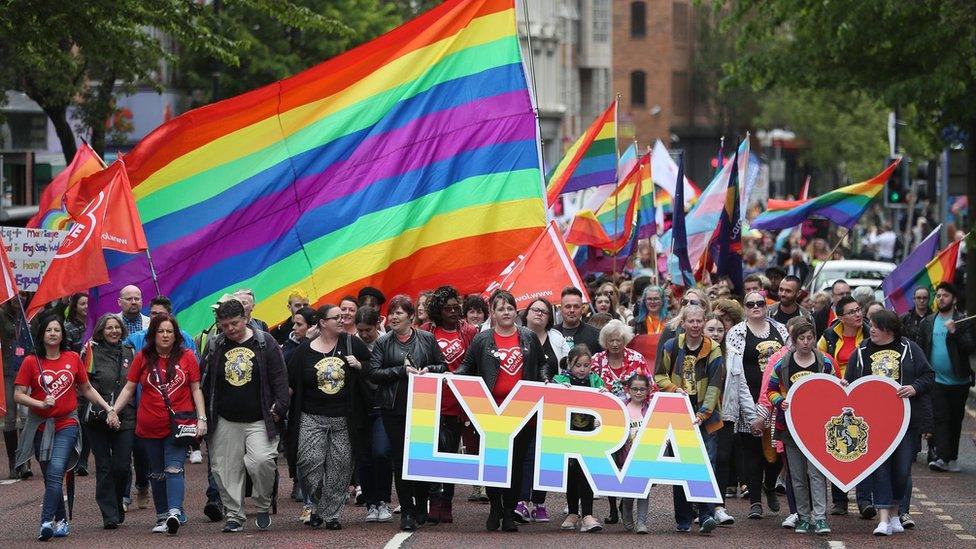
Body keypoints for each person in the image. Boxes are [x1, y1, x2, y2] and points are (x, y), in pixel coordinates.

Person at [13, 314, 118, 541]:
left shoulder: (72, 358)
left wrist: (107, 407)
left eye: (57, 330)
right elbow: (18, 394)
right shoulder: (32, 362)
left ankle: (45, 521)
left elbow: (87, 388)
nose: (53, 334)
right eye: (49, 330)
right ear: (42, 335)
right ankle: (61, 521)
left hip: (67, 423)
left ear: (62, 335)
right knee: (50, 474)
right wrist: (39, 403)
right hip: (40, 426)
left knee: (57, 470)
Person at [455, 289, 549, 533]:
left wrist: (547, 380)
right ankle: (494, 507)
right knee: (494, 462)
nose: (506, 312)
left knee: (516, 463)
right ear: (493, 313)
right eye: (500, 308)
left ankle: (509, 511)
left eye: (510, 308)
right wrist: (450, 377)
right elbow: (467, 366)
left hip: (522, 413)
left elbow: (542, 365)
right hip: (489, 413)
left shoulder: (528, 336)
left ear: (515, 311)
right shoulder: (481, 339)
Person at [112, 314, 206, 535]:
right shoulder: (142, 357)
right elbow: (128, 387)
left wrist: (201, 418)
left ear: (176, 335)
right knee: (157, 473)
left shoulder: (187, 356)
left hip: (179, 424)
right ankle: (162, 515)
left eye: (169, 332)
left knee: (174, 467)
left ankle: (174, 512)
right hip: (149, 424)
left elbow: (196, 388)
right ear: (152, 335)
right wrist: (113, 411)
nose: (165, 336)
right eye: (160, 332)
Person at [201, 299, 289, 533]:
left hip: (260, 418)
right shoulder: (215, 345)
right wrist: (204, 415)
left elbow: (280, 377)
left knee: (261, 461)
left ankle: (261, 504)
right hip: (224, 419)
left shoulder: (264, 342)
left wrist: (280, 407)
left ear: (246, 319)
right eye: (225, 325)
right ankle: (234, 515)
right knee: (225, 469)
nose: (230, 329)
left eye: (234, 323)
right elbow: (204, 380)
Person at [846, 310, 934, 536]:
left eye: (876, 326)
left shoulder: (911, 350)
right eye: (871, 325)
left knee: (902, 470)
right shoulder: (861, 351)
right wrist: (846, 385)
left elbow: (928, 376)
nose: (871, 330)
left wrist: (915, 388)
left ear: (890, 329)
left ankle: (895, 513)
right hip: (873, 422)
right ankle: (884, 518)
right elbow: (851, 383)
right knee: (881, 468)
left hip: (905, 422)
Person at [287, 303, 371, 530]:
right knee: (308, 461)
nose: (342, 320)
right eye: (336, 318)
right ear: (323, 322)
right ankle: (320, 500)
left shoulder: (352, 344)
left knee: (341, 466)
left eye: (343, 317)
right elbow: (290, 382)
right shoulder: (304, 350)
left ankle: (330, 514)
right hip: (311, 416)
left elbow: (373, 367)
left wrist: (360, 365)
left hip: (344, 417)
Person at [366, 295, 447, 531]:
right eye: (391, 313)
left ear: (411, 317)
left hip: (422, 405)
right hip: (394, 408)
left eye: (399, 313)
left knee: (419, 457)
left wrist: (427, 369)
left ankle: (422, 503)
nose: (393, 317)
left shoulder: (427, 338)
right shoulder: (384, 342)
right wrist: (402, 371)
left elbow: (442, 366)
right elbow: (374, 372)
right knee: (400, 459)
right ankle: (407, 511)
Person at [654, 304, 725, 534]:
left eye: (699, 321)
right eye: (691, 321)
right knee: (681, 465)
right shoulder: (671, 345)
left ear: (704, 322)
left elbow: (715, 385)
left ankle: (706, 515)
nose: (695, 326)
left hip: (706, 415)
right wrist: (674, 389)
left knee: (706, 464)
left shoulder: (713, 349)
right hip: (678, 412)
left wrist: (703, 414)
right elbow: (659, 375)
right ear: (683, 323)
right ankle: (683, 518)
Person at [767, 319, 837, 535]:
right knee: (796, 475)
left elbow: (834, 387)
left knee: (816, 474)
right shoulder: (783, 364)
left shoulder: (824, 363)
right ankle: (804, 517)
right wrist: (780, 401)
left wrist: (839, 386)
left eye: (810, 338)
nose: (806, 342)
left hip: (817, 427)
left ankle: (820, 517)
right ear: (794, 340)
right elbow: (770, 390)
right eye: (802, 338)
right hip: (790, 427)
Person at [724, 290, 788, 519]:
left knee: (774, 453)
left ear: (766, 306)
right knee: (751, 451)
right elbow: (735, 370)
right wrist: (748, 406)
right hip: (747, 398)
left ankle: (770, 486)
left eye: (760, 303)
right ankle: (754, 502)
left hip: (776, 400)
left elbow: (788, 361)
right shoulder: (736, 333)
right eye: (750, 304)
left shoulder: (781, 330)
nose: (755, 307)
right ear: (744, 307)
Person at [417, 286, 478, 524]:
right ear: (437, 310)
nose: (453, 312)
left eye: (456, 307)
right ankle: (434, 498)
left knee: (451, 452)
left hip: (458, 403)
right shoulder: (426, 331)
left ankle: (448, 502)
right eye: (447, 308)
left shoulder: (469, 332)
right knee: (432, 451)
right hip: (430, 401)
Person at [817, 295, 872, 517]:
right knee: (839, 444)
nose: (858, 314)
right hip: (837, 396)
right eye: (852, 312)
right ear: (841, 318)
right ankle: (839, 500)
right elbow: (819, 361)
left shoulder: (870, 333)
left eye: (859, 310)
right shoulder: (828, 336)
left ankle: (865, 501)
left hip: (864, 395)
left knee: (864, 446)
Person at [81, 314, 136, 530]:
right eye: (108, 328)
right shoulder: (91, 351)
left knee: (122, 466)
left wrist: (117, 410)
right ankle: (109, 513)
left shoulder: (130, 352)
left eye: (117, 327)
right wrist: (106, 409)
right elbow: (84, 384)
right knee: (104, 466)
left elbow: (133, 384)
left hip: (126, 416)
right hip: (97, 417)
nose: (113, 331)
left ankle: (118, 500)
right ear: (101, 331)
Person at [514, 298, 567, 523]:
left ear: (550, 317)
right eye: (535, 309)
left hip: (551, 405)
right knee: (525, 453)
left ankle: (540, 502)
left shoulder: (557, 339)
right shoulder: (516, 335)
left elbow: (566, 366)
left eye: (544, 311)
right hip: (522, 405)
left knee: (544, 453)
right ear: (526, 314)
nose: (539, 314)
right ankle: (523, 501)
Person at [917, 282, 974, 473]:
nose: (941, 299)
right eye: (939, 295)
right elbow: (921, 348)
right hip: (936, 380)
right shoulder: (928, 322)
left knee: (955, 420)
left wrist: (955, 333)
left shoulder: (963, 321)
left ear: (954, 299)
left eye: (945, 296)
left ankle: (952, 458)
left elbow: (970, 348)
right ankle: (940, 457)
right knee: (940, 418)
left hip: (959, 381)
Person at [554, 344, 604, 533]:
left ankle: (588, 515)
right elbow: (550, 397)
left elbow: (607, 404)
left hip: (589, 438)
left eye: (586, 365)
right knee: (571, 476)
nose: (582, 370)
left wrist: (601, 418)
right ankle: (573, 512)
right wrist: (559, 389)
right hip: (567, 437)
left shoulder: (596, 380)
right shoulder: (560, 379)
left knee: (587, 475)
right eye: (578, 365)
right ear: (569, 364)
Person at [352, 306, 393, 523]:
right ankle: (371, 503)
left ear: (377, 325)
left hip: (383, 406)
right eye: (360, 330)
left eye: (368, 329)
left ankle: (384, 500)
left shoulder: (388, 342)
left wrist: (362, 366)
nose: (364, 334)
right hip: (359, 408)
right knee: (364, 457)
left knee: (382, 452)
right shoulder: (351, 343)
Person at [705, 311, 736, 526]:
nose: (716, 334)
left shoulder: (732, 354)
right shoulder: (696, 351)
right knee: (705, 460)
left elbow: (740, 385)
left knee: (723, 459)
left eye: (720, 330)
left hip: (725, 413)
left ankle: (719, 506)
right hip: (703, 414)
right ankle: (701, 507)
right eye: (711, 330)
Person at [617, 373, 655, 534]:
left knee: (644, 491)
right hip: (625, 457)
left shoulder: (651, 409)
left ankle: (641, 522)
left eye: (642, 389)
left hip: (644, 458)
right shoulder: (621, 407)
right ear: (628, 389)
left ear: (647, 390)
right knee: (628, 491)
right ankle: (626, 513)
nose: (638, 392)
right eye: (635, 389)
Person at [592, 319, 649, 397]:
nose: (615, 344)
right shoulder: (596, 360)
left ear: (625, 340)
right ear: (605, 341)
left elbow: (650, 386)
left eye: (618, 340)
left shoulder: (637, 358)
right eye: (611, 341)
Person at [555, 286, 602, 354]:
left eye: (576, 307)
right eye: (568, 306)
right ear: (560, 309)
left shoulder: (596, 335)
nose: (572, 310)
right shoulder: (551, 334)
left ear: (582, 309)